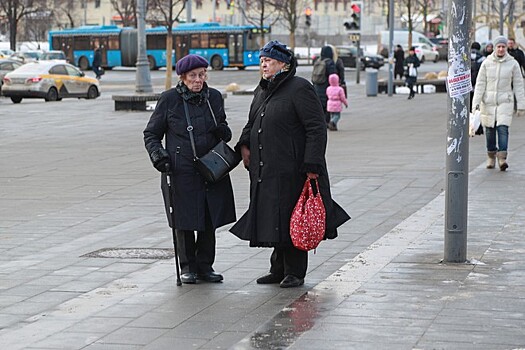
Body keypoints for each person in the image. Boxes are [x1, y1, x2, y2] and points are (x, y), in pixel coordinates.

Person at [230, 40, 350, 288]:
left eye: (269, 62)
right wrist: (244, 144)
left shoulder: (299, 88)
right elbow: (252, 122)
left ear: (283, 64)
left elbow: (316, 128)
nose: (264, 66)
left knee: (293, 217)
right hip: (266, 168)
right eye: (262, 61)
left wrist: (312, 164)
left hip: (293, 169)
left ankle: (295, 271)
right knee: (273, 218)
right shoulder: (263, 89)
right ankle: (278, 268)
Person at [143, 54, 236, 284]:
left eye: (202, 75)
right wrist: (159, 157)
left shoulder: (213, 97)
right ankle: (187, 266)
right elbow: (151, 134)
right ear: (183, 77)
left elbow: (222, 124)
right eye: (193, 76)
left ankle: (205, 266)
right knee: (184, 220)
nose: (198, 80)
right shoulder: (169, 100)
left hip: (211, 167)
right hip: (180, 169)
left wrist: (223, 130)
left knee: (208, 217)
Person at [472, 36, 525, 171]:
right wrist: (475, 104)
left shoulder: (513, 64)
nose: (501, 49)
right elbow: (480, 84)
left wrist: (521, 105)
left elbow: (519, 85)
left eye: (503, 47)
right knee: (489, 131)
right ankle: (491, 156)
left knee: (503, 129)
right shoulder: (486, 63)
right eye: (499, 47)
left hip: (504, 101)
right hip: (488, 102)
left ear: (506, 48)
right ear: (494, 48)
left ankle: (502, 158)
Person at [312, 45, 337, 124]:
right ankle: (326, 123)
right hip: (326, 87)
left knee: (319, 106)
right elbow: (332, 76)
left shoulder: (318, 61)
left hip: (317, 86)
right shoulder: (329, 62)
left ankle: (319, 122)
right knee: (326, 107)